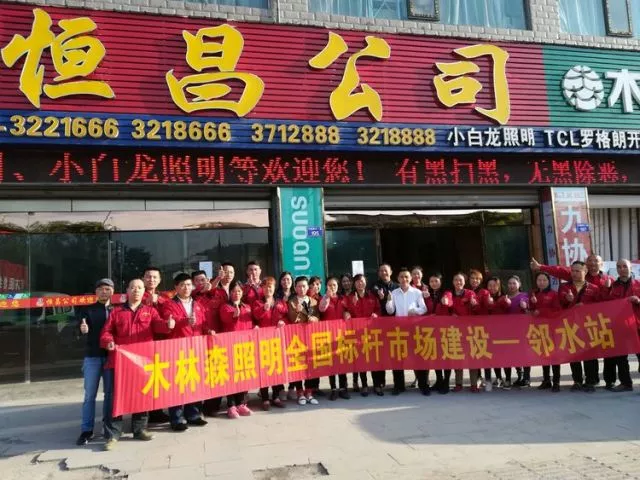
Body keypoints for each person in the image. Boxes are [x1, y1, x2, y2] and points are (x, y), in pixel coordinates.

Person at [99, 279, 159, 451]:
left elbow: (160, 326)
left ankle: (139, 430)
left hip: (141, 362)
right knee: (114, 397)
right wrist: (108, 341)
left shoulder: (150, 311)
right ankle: (113, 434)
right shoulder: (117, 312)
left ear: (144, 291)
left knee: (142, 394)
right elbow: (106, 333)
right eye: (133, 287)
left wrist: (169, 325)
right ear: (127, 290)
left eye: (139, 288)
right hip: (118, 362)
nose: (136, 290)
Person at [158, 273, 208, 431]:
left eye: (188, 284)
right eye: (182, 285)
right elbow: (169, 320)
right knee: (177, 383)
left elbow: (203, 323)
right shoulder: (169, 304)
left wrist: (209, 331)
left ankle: (193, 414)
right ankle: (177, 418)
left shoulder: (198, 304)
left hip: (196, 348)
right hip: (178, 349)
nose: (186, 288)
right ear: (176, 288)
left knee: (194, 381)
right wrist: (185, 321)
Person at [76, 278, 114, 446]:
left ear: (112, 291)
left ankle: (108, 426)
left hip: (111, 357)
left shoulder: (117, 310)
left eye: (107, 289)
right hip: (92, 357)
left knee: (109, 394)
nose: (104, 292)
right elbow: (78, 330)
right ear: (96, 292)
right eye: (101, 289)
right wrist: (82, 329)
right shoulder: (88, 310)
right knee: (89, 395)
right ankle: (86, 430)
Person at [385, 268, 428, 396]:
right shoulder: (394, 293)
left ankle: (423, 385)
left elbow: (424, 308)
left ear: (410, 278)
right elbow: (390, 311)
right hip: (399, 330)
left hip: (414, 329)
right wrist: (389, 300)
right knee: (397, 358)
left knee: (419, 357)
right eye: (401, 277)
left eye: (406, 277)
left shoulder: (417, 292)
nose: (404, 279)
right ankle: (399, 386)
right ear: (398, 279)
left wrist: (415, 311)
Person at [558, 261, 600, 393]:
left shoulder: (594, 288)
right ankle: (577, 380)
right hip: (571, 326)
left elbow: (600, 307)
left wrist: (586, 308)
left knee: (590, 354)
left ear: (585, 271)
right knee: (574, 355)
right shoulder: (564, 287)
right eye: (573, 271)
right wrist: (567, 299)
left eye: (578, 271)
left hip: (588, 326)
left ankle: (591, 381)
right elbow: (559, 305)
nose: (574, 273)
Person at [202, 262, 236, 416]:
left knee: (232, 368)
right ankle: (212, 404)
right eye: (225, 271)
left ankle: (233, 402)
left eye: (231, 272)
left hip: (232, 334)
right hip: (216, 334)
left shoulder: (236, 288)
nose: (228, 274)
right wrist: (217, 279)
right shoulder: (214, 288)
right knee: (217, 369)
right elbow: (207, 290)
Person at [219, 281, 254, 419]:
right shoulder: (225, 307)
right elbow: (225, 319)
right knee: (231, 376)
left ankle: (241, 403)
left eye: (239, 291)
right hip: (230, 346)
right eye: (233, 291)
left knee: (243, 374)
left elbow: (250, 323)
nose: (236, 293)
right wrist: (234, 314)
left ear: (242, 292)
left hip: (245, 346)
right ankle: (231, 405)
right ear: (230, 293)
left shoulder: (247, 307)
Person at [141, 266, 172, 424]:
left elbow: (170, 311)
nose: (151, 279)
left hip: (161, 342)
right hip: (143, 342)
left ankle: (156, 411)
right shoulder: (138, 294)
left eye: (154, 277)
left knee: (158, 377)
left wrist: (157, 300)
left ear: (159, 280)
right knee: (144, 379)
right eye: (148, 276)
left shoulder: (164, 297)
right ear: (143, 279)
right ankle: (141, 415)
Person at [252, 276, 288, 409]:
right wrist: (264, 309)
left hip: (277, 340)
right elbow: (255, 317)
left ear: (274, 288)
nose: (268, 289)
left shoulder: (280, 302)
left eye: (271, 286)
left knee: (276, 368)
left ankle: (276, 396)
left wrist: (283, 321)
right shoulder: (257, 303)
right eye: (266, 286)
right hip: (262, 340)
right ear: (262, 288)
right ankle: (265, 398)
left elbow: (286, 316)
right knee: (264, 369)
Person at [602, 259, 638, 392]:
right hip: (619, 326)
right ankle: (626, 383)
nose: (622, 269)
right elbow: (605, 304)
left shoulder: (638, 284)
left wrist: (638, 301)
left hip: (636, 325)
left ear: (630, 267)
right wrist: (606, 289)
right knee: (621, 357)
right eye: (619, 267)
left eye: (624, 266)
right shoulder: (612, 286)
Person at [343, 273, 381, 396]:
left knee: (374, 360)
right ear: (354, 284)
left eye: (362, 281)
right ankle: (364, 385)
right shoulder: (350, 298)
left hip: (371, 333)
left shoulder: (372, 296)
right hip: (357, 334)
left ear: (366, 282)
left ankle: (377, 385)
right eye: (358, 281)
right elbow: (346, 312)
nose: (360, 283)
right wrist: (350, 308)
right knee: (361, 360)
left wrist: (376, 314)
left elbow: (378, 309)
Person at [287, 276, 321, 405]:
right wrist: (297, 311)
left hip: (310, 337)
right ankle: (300, 393)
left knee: (310, 365)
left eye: (304, 286)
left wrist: (315, 319)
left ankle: (309, 392)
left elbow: (318, 316)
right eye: (299, 286)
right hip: (297, 339)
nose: (302, 289)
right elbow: (291, 319)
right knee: (298, 366)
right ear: (295, 288)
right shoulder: (291, 302)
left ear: (308, 287)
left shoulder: (314, 302)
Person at [530, 272, 562, 392]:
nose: (542, 282)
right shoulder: (533, 294)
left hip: (551, 328)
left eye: (544, 280)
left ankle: (556, 381)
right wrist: (531, 306)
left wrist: (541, 311)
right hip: (539, 329)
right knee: (544, 355)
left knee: (554, 356)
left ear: (548, 282)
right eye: (539, 280)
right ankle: (546, 380)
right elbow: (530, 311)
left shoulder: (553, 294)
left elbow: (557, 311)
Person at [319, 277, 349, 401]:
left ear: (338, 286)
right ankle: (333, 389)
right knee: (331, 364)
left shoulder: (343, 299)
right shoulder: (323, 298)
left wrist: (347, 314)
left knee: (341, 362)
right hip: (328, 335)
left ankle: (343, 388)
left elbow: (348, 310)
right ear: (326, 286)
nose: (332, 287)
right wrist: (327, 297)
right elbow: (321, 309)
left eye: (334, 285)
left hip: (341, 335)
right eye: (330, 285)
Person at [449, 273, 480, 393]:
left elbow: (477, 309)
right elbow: (447, 309)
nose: (458, 282)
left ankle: (474, 384)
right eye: (456, 280)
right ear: (453, 282)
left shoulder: (470, 293)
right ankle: (458, 383)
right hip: (456, 331)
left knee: (473, 357)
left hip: (470, 330)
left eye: (460, 280)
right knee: (458, 357)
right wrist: (451, 314)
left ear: (464, 282)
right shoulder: (450, 294)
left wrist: (474, 304)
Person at [498, 275, 530, 389]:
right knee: (508, 354)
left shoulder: (524, 296)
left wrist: (525, 306)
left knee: (524, 354)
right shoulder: (504, 297)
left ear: (519, 284)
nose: (511, 285)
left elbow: (529, 310)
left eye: (514, 283)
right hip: (507, 331)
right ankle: (508, 378)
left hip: (522, 330)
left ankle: (526, 378)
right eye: (509, 283)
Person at [372, 263, 398, 394]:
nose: (384, 273)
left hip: (395, 326)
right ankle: (379, 383)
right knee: (378, 355)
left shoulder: (397, 287)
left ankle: (398, 384)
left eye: (386, 270)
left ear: (391, 272)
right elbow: (374, 290)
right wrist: (378, 293)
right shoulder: (374, 286)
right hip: (377, 326)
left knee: (395, 355)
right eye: (381, 271)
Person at [426, 273, 453, 394]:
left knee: (446, 356)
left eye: (436, 281)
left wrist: (446, 301)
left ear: (441, 282)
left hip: (445, 330)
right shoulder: (427, 294)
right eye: (431, 281)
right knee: (436, 357)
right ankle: (439, 381)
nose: (434, 283)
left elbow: (449, 301)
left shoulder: (446, 293)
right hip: (432, 330)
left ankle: (446, 382)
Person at [409, 266, 430, 389]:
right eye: (414, 274)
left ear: (422, 275)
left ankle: (425, 379)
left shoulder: (428, 287)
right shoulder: (408, 288)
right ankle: (417, 377)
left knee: (425, 351)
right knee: (414, 352)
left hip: (426, 325)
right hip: (412, 325)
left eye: (418, 274)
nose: (416, 276)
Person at [485, 277, 505, 389]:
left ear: (499, 286)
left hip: (499, 332)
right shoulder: (483, 297)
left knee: (498, 356)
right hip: (485, 332)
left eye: (494, 285)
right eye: (490, 285)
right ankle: (487, 381)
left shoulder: (503, 297)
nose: (492, 288)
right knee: (486, 356)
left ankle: (499, 378)